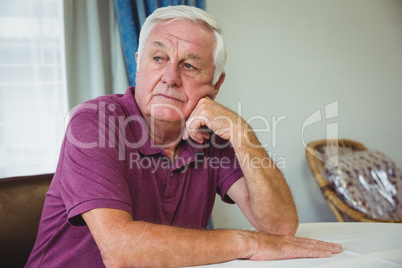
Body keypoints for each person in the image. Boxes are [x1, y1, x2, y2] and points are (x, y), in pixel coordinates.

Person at [26, 5, 341, 267]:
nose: (170, 78)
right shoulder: (94, 122)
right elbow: (121, 249)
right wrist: (247, 241)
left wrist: (241, 132)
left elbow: (280, 228)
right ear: (138, 63)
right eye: (158, 58)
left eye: (189, 65)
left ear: (215, 85)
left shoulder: (212, 132)